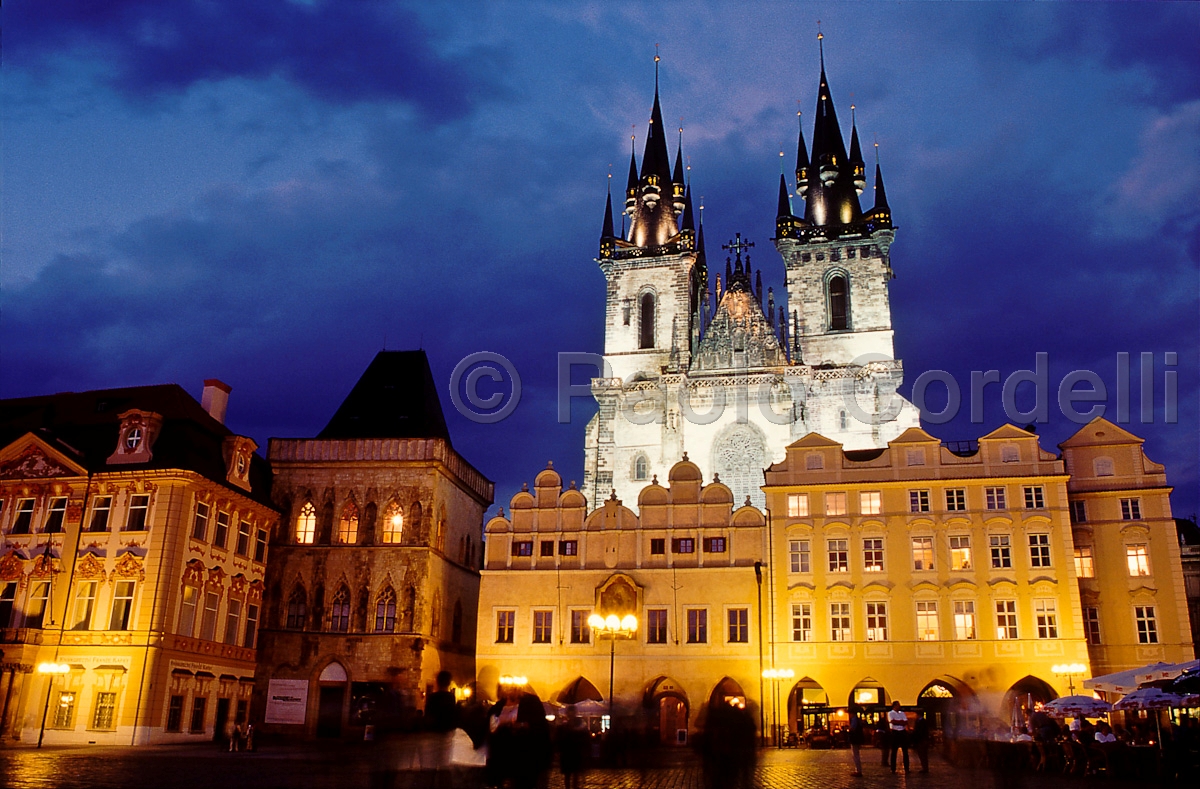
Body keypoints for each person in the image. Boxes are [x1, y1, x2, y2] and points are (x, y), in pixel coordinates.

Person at [558, 708, 588, 789]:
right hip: (567, 752)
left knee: (575, 774)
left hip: (575, 752)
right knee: (568, 775)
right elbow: (560, 739)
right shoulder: (564, 726)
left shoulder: (579, 724)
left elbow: (584, 738)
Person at [886, 700, 909, 773]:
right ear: (895, 706)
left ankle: (907, 768)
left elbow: (905, 722)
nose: (899, 706)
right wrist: (901, 722)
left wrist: (898, 722)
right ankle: (893, 768)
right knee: (894, 751)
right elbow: (892, 721)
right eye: (898, 705)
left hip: (902, 732)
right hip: (895, 732)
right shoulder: (890, 713)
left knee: (905, 751)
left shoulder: (902, 713)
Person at [847, 704, 865, 776]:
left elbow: (853, 728)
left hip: (854, 739)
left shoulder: (854, 719)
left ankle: (858, 770)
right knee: (856, 754)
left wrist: (849, 729)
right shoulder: (858, 719)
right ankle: (858, 770)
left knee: (855, 755)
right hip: (857, 738)